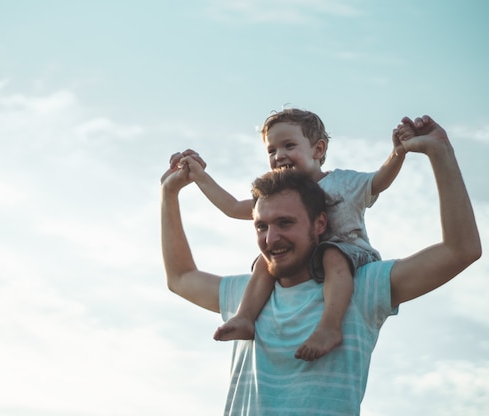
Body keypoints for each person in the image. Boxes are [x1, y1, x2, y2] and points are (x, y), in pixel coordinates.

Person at [160, 115, 481, 415]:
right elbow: (180, 277)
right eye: (261, 226)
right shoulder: (250, 295)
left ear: (319, 223)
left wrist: (439, 152)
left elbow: (460, 250)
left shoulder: (362, 287)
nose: (271, 238)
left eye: (285, 222)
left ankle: (328, 329)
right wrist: (169, 193)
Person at [170, 108, 406, 361]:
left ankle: (329, 327)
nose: (279, 155)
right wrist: (199, 176)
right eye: (271, 151)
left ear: (318, 150)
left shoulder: (343, 183)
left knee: (332, 255)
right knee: (265, 261)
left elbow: (380, 180)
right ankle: (245, 316)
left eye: (289, 146)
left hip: (350, 256)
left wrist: (398, 152)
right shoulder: (277, 197)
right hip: (303, 261)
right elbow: (232, 207)